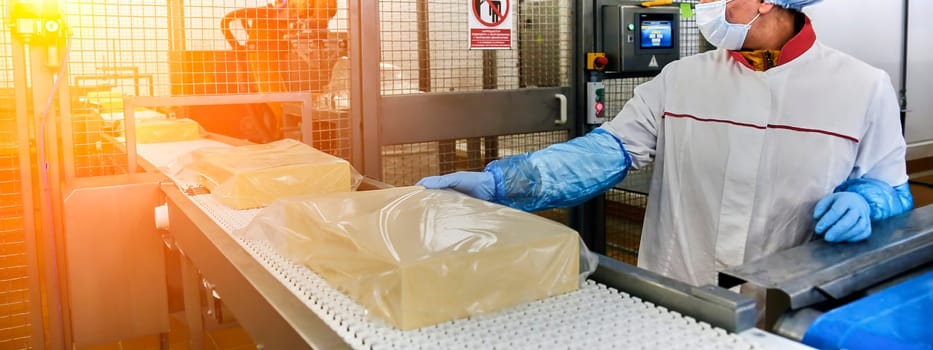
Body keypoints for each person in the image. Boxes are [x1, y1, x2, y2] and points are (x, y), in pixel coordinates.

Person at [417, 0, 914, 287]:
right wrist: (503, 183)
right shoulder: (682, 78)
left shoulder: (860, 86)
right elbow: (606, 153)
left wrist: (867, 201)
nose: (703, 6)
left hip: (785, 300)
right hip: (677, 287)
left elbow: (891, 186)